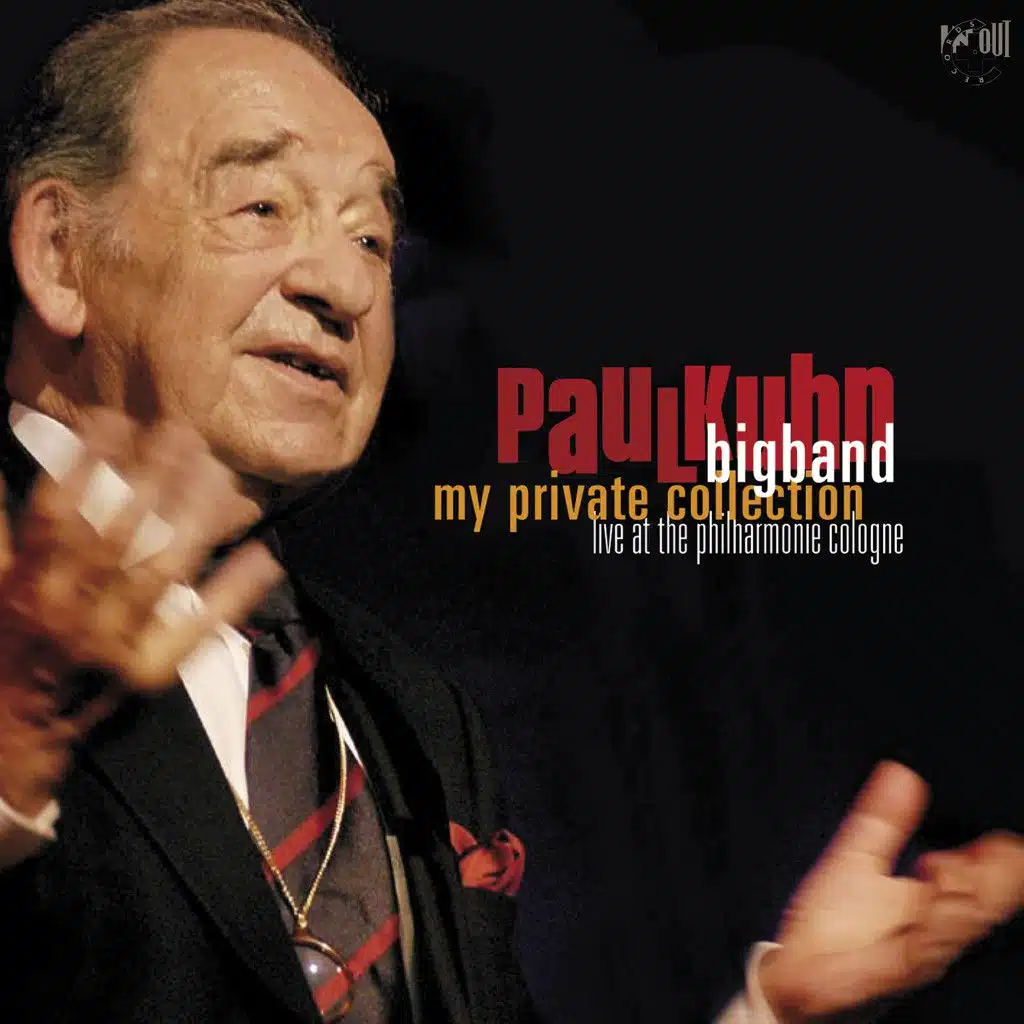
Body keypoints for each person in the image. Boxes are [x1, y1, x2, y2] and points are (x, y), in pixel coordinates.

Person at [0, 2, 1020, 1021]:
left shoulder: (413, 715)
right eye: (262, 206)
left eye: (371, 237)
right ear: (59, 251)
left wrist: (774, 1010)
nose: (345, 285)